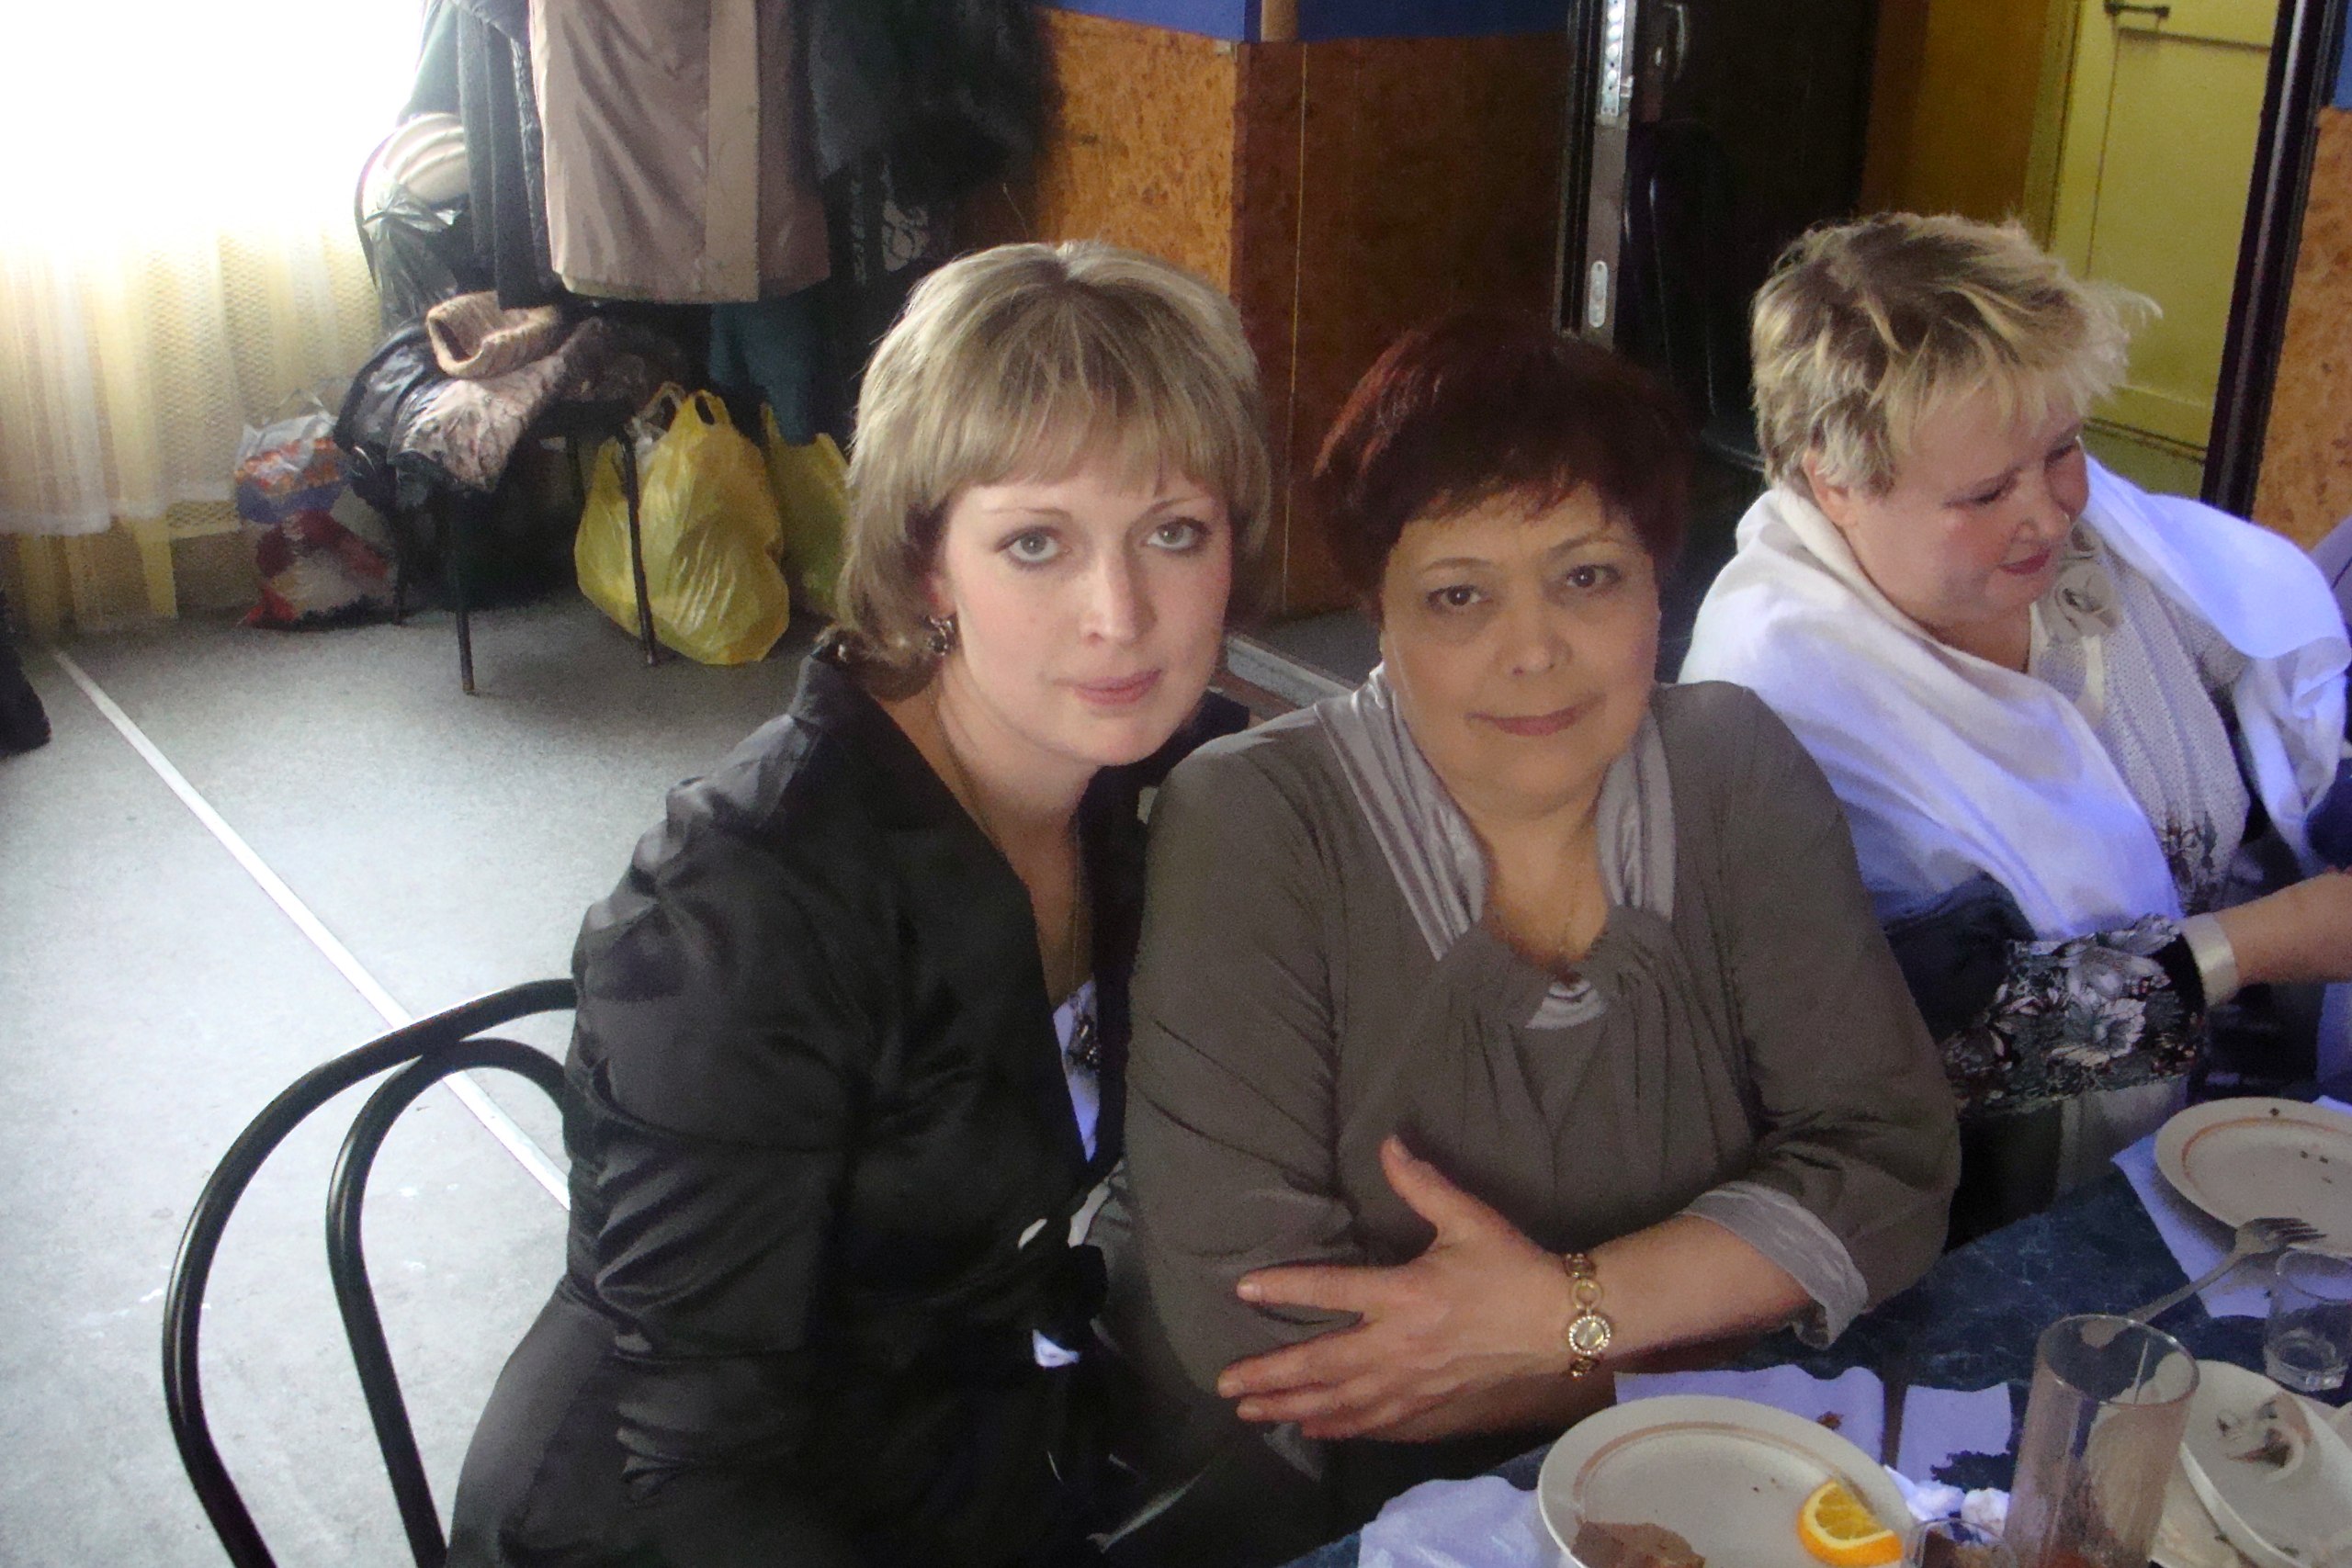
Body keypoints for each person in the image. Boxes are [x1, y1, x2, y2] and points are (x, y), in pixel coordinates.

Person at [447, 240, 1267, 1568]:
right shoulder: (740, 905)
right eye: (1036, 543)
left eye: (1174, 531)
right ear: (928, 563)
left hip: (958, 1461)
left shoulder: (1157, 783)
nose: (1121, 615)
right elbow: (695, 1465)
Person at [1111, 313, 1959, 1562]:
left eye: (1587, 576)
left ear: (1658, 582)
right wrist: (1717, 1324)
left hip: (1722, 1490)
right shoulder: (1255, 822)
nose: (1534, 650)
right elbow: (1269, 1341)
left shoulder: (1734, 768)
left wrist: (1565, 1313)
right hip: (1359, 1518)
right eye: (1459, 595)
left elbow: (1889, 1168)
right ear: (1378, 611)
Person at [1682, 213, 2352, 1237]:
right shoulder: (1776, 697)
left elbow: (2273, 683)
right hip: (1961, 1225)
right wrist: (2263, 943)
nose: (2049, 511)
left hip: (2188, 1135)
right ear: (1834, 483)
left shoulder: (2100, 561)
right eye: (1986, 492)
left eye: (2063, 448)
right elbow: (1925, 1049)